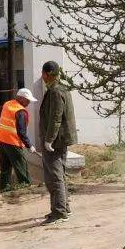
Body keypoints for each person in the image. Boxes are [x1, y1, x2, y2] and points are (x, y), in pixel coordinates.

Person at [39, 61, 78, 224]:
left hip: (56, 141)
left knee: (54, 176)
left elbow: (55, 118)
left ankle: (59, 211)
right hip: (61, 139)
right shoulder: (62, 89)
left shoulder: (55, 91)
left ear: (46, 74)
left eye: (43, 74)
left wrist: (49, 140)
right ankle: (63, 208)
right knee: (59, 175)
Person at [0, 88, 37, 192]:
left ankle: (4, 188)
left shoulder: (7, 104)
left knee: (5, 166)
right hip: (12, 141)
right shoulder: (20, 111)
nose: (28, 102)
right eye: (27, 100)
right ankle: (26, 187)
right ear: (21, 98)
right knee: (21, 165)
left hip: (1, 138)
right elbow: (21, 132)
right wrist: (29, 145)